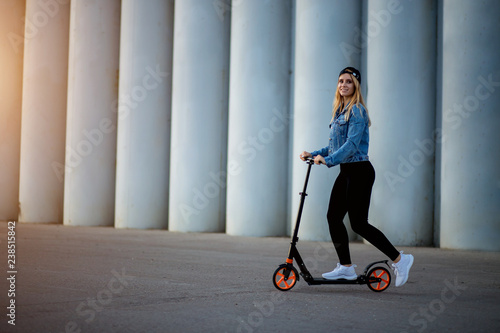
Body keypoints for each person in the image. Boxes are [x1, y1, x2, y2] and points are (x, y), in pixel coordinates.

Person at [300, 67, 413, 287]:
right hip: (347, 172)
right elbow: (334, 146)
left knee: (359, 224)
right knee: (333, 217)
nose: (343, 85)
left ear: (356, 86)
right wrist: (313, 154)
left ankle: (401, 260)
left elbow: (351, 146)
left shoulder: (358, 111)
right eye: (341, 81)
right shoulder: (340, 111)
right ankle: (346, 267)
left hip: (360, 171)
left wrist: (329, 160)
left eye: (349, 82)